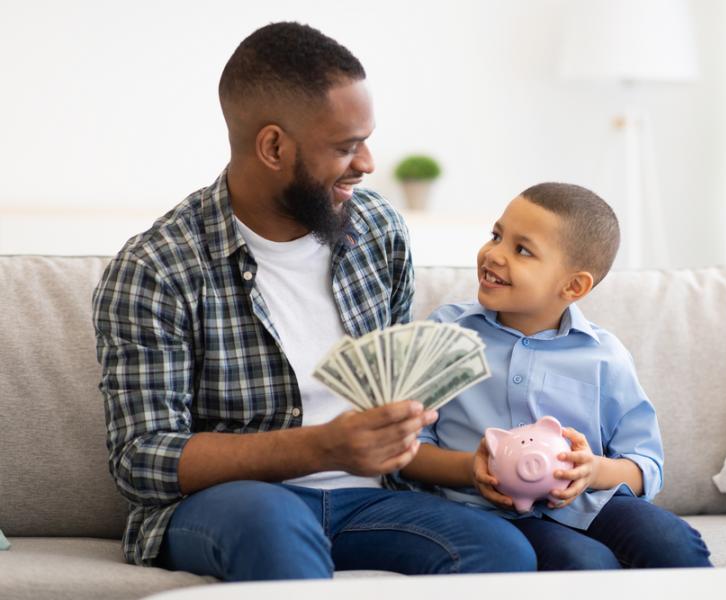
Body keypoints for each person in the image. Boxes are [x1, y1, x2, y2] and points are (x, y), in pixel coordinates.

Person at [91, 22, 536, 580]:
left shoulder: (378, 230)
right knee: (269, 520)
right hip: (238, 503)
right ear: (274, 146)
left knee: (502, 550)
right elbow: (141, 460)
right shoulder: (156, 269)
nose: (369, 163)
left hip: (370, 502)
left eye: (367, 140)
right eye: (346, 147)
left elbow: (402, 396)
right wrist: (323, 447)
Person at [400, 182, 713, 570]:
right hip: (488, 514)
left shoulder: (603, 355)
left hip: (589, 503)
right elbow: (407, 451)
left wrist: (594, 470)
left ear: (573, 285)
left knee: (672, 540)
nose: (494, 254)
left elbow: (644, 465)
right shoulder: (445, 334)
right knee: (583, 561)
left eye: (522, 250)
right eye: (496, 236)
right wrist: (472, 470)